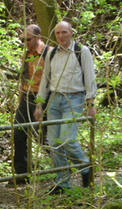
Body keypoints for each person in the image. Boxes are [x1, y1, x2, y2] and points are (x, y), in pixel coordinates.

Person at [34, 21, 97, 194]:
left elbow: (90, 78)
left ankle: (86, 167)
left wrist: (90, 104)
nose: (61, 36)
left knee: (67, 139)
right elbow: (45, 80)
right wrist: (40, 104)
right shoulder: (51, 53)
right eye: (58, 33)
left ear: (71, 32)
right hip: (54, 99)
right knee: (54, 143)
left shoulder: (81, 51)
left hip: (74, 99)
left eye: (64, 32)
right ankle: (62, 183)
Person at [12, 25, 51, 184]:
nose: (25, 42)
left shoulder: (49, 53)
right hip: (26, 97)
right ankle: (21, 173)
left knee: (43, 137)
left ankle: (63, 167)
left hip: (43, 99)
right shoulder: (26, 54)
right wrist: (20, 100)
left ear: (38, 37)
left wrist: (41, 104)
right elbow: (24, 79)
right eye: (23, 40)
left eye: (28, 39)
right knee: (18, 133)